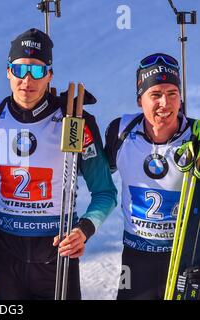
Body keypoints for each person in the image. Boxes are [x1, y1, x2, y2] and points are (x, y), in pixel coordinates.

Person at [0, 28, 117, 300]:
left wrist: (82, 231)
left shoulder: (72, 122)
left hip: (56, 251)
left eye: (37, 71)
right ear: (7, 71)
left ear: (50, 74)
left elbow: (105, 193)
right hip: (6, 254)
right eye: (19, 70)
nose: (27, 80)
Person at [104, 53, 196, 300]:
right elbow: (97, 177)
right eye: (155, 95)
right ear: (139, 99)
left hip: (186, 258)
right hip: (136, 258)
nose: (165, 103)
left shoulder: (196, 137)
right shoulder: (120, 131)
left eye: (172, 94)